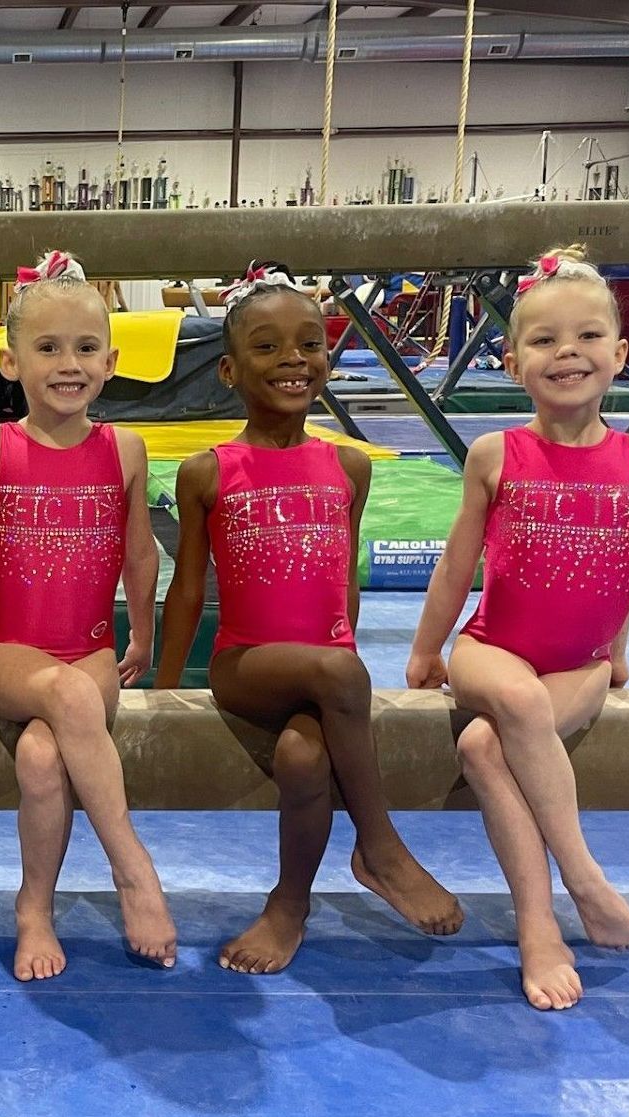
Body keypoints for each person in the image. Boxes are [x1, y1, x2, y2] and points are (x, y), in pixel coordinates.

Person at [156, 262, 464, 975]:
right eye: (267, 347)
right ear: (229, 370)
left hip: (327, 676)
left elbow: (343, 584)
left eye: (310, 343)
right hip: (246, 665)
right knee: (336, 667)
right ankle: (381, 847)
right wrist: (163, 692)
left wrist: (342, 696)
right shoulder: (211, 469)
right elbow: (188, 587)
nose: (294, 359)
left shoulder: (348, 467)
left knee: (304, 759)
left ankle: (287, 907)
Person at [408, 246, 629, 1011]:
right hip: (492, 649)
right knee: (509, 710)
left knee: (484, 746)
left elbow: (626, 562)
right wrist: (425, 649)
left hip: (578, 663)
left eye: (586, 337)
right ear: (513, 361)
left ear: (619, 355)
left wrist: (616, 654)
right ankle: (576, 883)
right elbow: (457, 566)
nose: (567, 353)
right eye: (545, 341)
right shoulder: (497, 453)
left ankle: (536, 921)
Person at [0, 250, 176, 980]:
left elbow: (141, 554)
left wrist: (143, 629)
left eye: (85, 348)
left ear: (111, 361)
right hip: (6, 650)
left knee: (43, 757)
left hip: (93, 649)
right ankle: (133, 867)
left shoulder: (126, 450)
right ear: (11, 363)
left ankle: (33, 907)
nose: (68, 364)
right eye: (47, 348)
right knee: (64, 696)